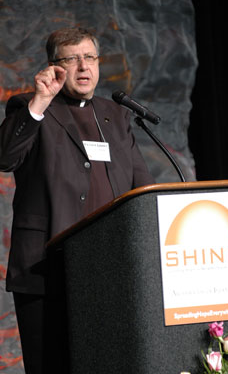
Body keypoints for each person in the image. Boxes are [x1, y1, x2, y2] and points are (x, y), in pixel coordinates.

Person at [0, 27, 155, 373]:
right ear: (54, 67)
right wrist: (40, 101)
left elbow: (142, 188)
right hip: (46, 270)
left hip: (109, 270)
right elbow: (5, 157)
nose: (83, 67)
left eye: (90, 57)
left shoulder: (116, 115)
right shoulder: (30, 106)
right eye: (72, 59)